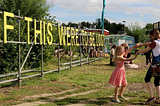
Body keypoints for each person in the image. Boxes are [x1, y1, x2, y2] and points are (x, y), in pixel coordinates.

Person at [135, 28, 160, 104]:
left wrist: (138, 51)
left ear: (153, 35)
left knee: (147, 78)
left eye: (151, 36)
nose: (150, 37)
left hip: (156, 64)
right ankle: (159, 99)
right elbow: (149, 43)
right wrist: (141, 44)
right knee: (157, 82)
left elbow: (146, 50)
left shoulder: (154, 42)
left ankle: (151, 97)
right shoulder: (158, 42)